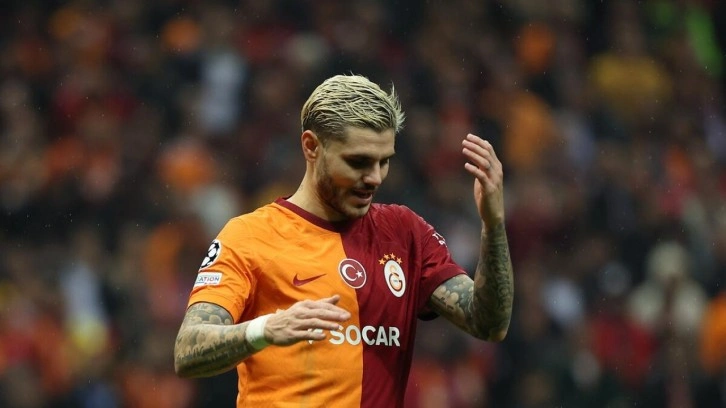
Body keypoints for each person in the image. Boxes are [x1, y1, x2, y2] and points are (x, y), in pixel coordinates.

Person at [173, 74, 514, 407]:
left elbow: (488, 324)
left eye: (384, 162)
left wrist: (493, 224)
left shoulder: (405, 233)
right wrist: (266, 329)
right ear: (311, 147)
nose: (375, 178)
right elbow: (188, 349)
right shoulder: (250, 236)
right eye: (358, 162)